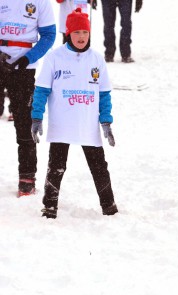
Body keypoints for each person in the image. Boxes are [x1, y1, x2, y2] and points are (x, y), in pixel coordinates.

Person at [31, 8, 118, 219]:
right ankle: (49, 206)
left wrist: (106, 121)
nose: (81, 37)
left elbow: (104, 94)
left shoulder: (96, 59)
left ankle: (109, 206)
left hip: (88, 124)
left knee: (99, 167)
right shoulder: (54, 57)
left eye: (85, 32)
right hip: (63, 123)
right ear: (68, 33)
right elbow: (41, 90)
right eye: (77, 32)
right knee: (56, 166)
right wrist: (36, 116)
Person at [0, 0, 57, 197]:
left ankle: (27, 176)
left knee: (24, 122)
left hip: (23, 69)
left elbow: (49, 35)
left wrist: (27, 59)